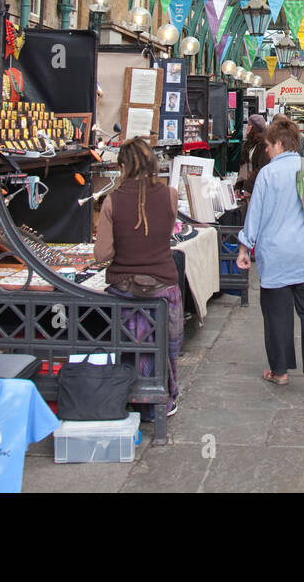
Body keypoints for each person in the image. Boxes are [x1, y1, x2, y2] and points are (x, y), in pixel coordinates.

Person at [236, 119, 304, 395]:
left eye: (268, 145)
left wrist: (244, 248)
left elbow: (254, 215)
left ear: (279, 144)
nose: (266, 150)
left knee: (277, 314)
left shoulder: (268, 174)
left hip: (277, 254)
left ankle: (279, 372)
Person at [94, 137, 182, 417]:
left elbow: (102, 254)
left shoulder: (112, 201)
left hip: (125, 289)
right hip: (163, 287)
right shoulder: (169, 194)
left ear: (123, 166)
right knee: (161, 346)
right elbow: (163, 234)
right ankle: (161, 397)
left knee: (129, 344)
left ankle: (130, 393)